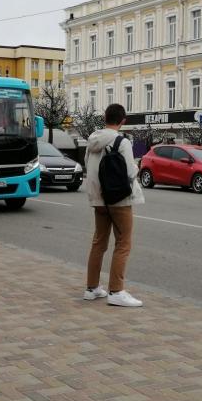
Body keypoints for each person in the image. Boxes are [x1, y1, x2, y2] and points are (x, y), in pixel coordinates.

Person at [83, 103, 145, 307]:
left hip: (98, 199)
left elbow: (87, 166)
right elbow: (130, 172)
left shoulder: (92, 140)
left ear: (105, 118)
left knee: (99, 242)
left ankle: (92, 288)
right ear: (122, 121)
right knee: (123, 243)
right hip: (118, 199)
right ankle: (116, 291)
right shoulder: (122, 141)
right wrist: (136, 167)